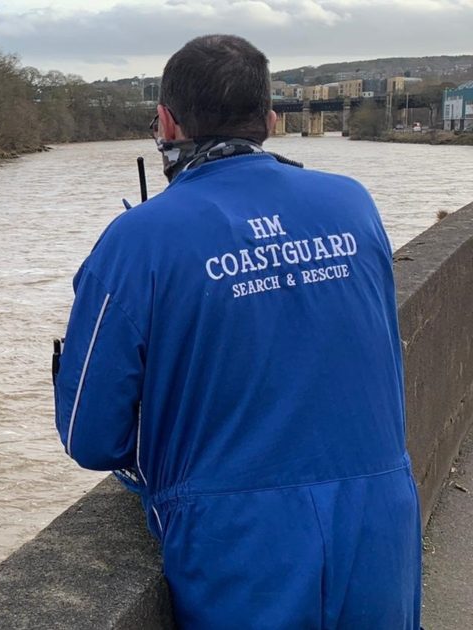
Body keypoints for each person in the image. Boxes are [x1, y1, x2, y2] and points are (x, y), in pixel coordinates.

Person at [53, 35, 420, 629]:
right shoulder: (353, 205)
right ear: (271, 120)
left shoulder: (138, 239)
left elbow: (89, 437)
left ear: (166, 121)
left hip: (239, 543)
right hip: (381, 520)